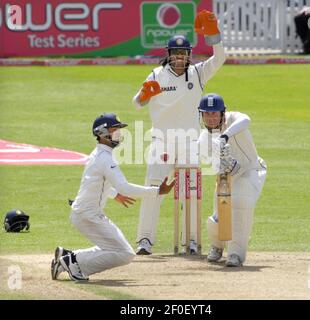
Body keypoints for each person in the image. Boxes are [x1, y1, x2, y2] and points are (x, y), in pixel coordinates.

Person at [132, 10, 227, 255]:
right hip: (161, 142)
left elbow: (220, 59)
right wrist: (145, 94)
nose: (179, 58)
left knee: (191, 193)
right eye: (175, 54)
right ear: (168, 55)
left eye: (183, 54)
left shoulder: (197, 73)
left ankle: (193, 241)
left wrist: (213, 35)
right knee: (154, 189)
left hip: (189, 143)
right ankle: (144, 240)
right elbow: (136, 103)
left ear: (188, 55)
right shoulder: (156, 74)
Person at [51, 113, 174, 281]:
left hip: (85, 213)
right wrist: (157, 191)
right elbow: (125, 187)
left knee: (114, 249)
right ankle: (72, 261)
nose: (119, 134)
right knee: (125, 254)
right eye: (114, 130)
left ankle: (69, 256)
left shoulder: (98, 155)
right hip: (88, 216)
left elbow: (95, 181)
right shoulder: (104, 158)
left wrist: (115, 195)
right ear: (102, 133)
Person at [197, 93, 267, 267]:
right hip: (227, 177)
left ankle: (236, 254)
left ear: (222, 113)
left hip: (252, 170)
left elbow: (247, 120)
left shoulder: (234, 119)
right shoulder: (204, 139)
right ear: (201, 115)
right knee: (217, 216)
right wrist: (227, 166)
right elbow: (212, 166)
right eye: (206, 113)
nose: (211, 118)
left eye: (214, 113)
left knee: (240, 203)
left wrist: (224, 136)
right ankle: (217, 246)